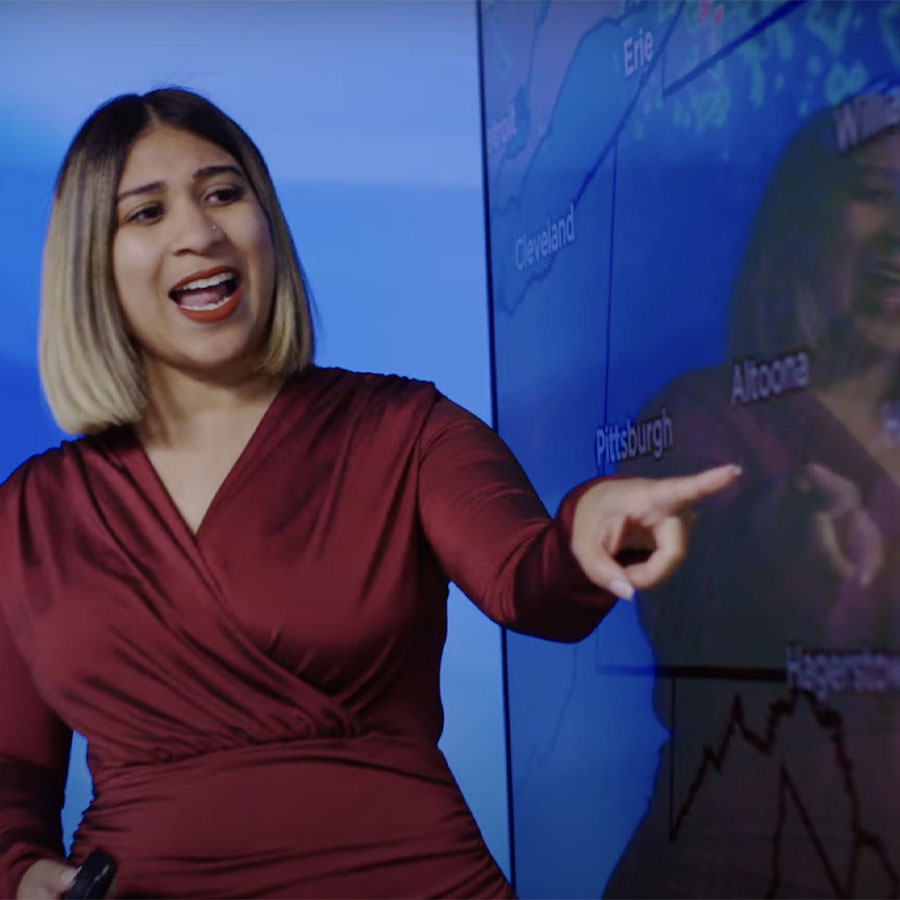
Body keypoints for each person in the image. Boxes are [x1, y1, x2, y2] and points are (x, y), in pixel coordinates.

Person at [0, 88, 738, 899]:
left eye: (223, 193)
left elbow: (532, 585)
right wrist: (22, 871)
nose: (199, 233)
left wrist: (585, 533)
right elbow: (13, 773)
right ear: (88, 264)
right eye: (145, 213)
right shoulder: (30, 515)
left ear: (266, 223)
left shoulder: (405, 429)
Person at [605, 89, 900, 898]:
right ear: (801, 225)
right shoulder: (697, 417)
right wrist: (776, 549)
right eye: (875, 195)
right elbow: (690, 617)